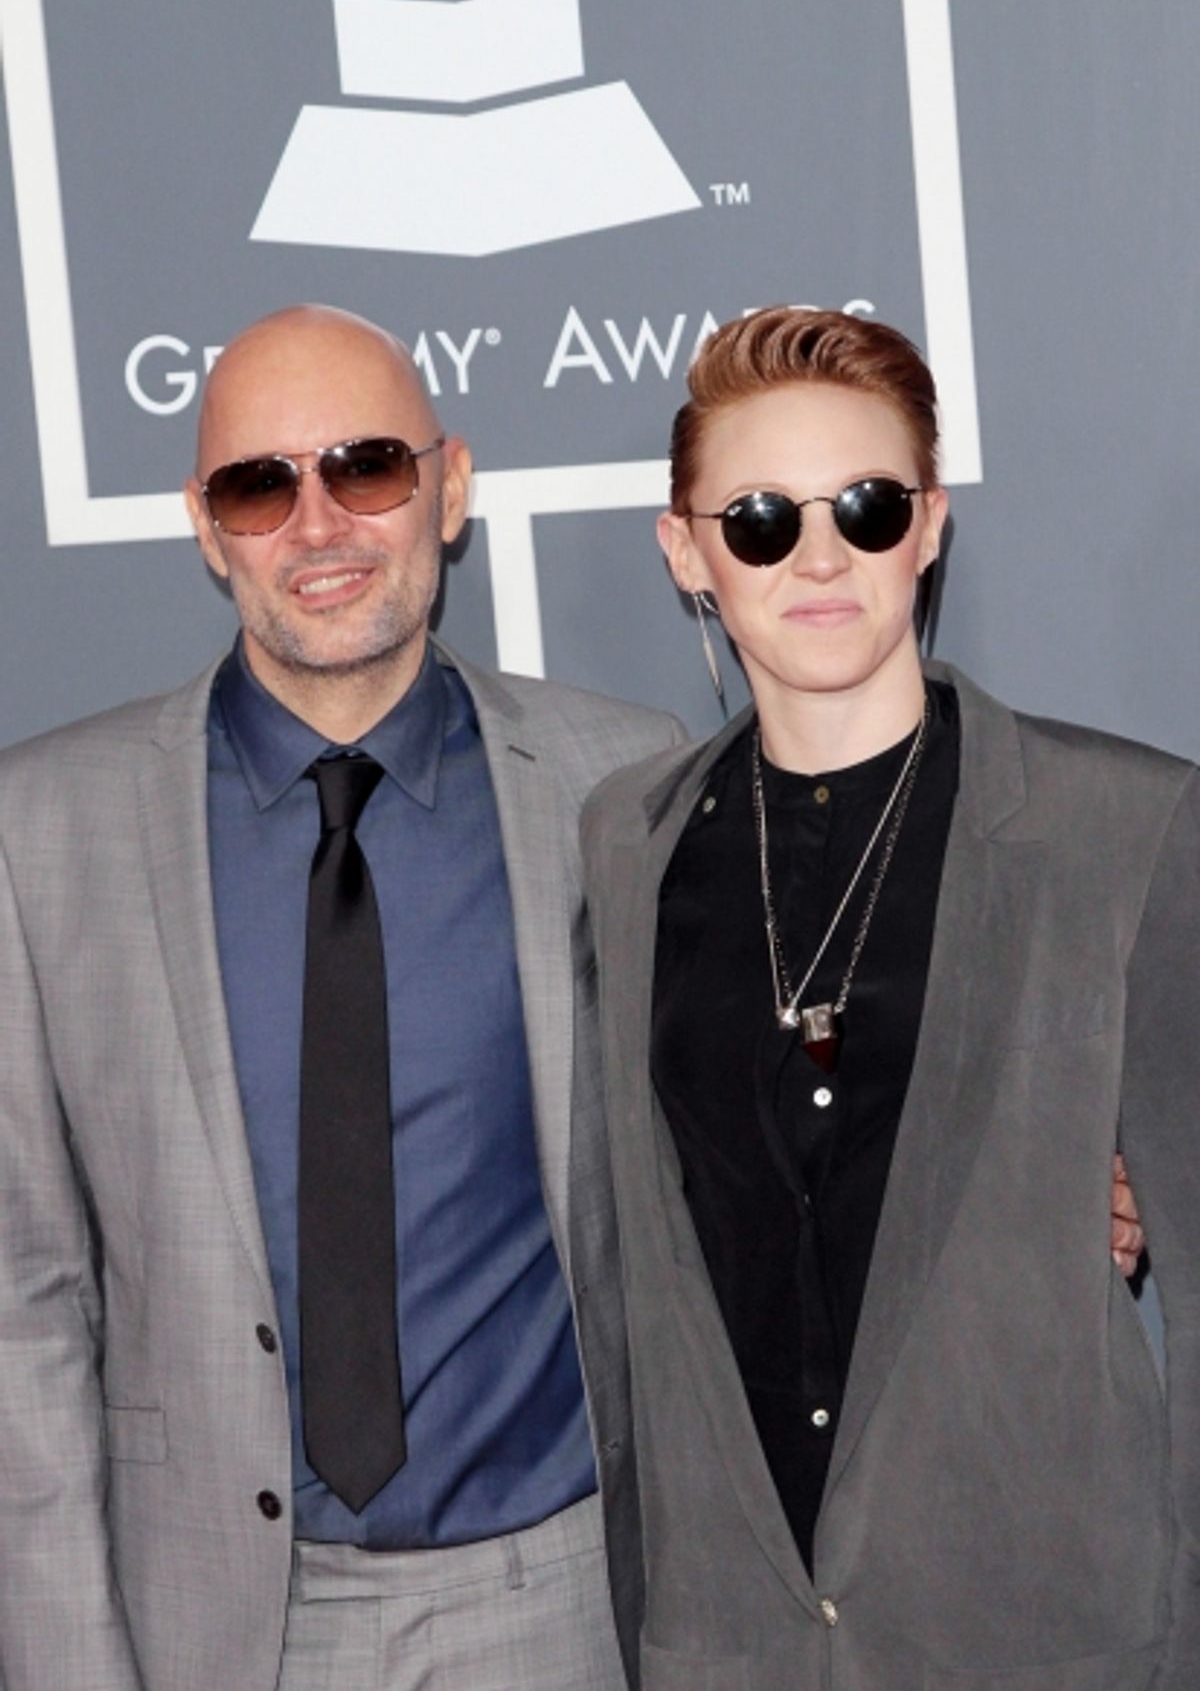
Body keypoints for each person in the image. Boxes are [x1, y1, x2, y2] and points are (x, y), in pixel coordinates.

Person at [0, 304, 684, 1691]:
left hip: (559, 1604)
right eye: (262, 485)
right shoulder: (42, 832)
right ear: (206, 524)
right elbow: (24, 1301)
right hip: (211, 1623)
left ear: (450, 486)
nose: (318, 525)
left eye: (366, 467)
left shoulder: (627, 786)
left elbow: (763, 1138)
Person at [580, 306, 1197, 1689]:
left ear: (928, 527)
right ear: (687, 552)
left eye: (863, 507)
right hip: (729, 1648)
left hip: (1043, 1640)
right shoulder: (624, 846)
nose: (816, 557)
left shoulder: (1125, 831)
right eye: (757, 518)